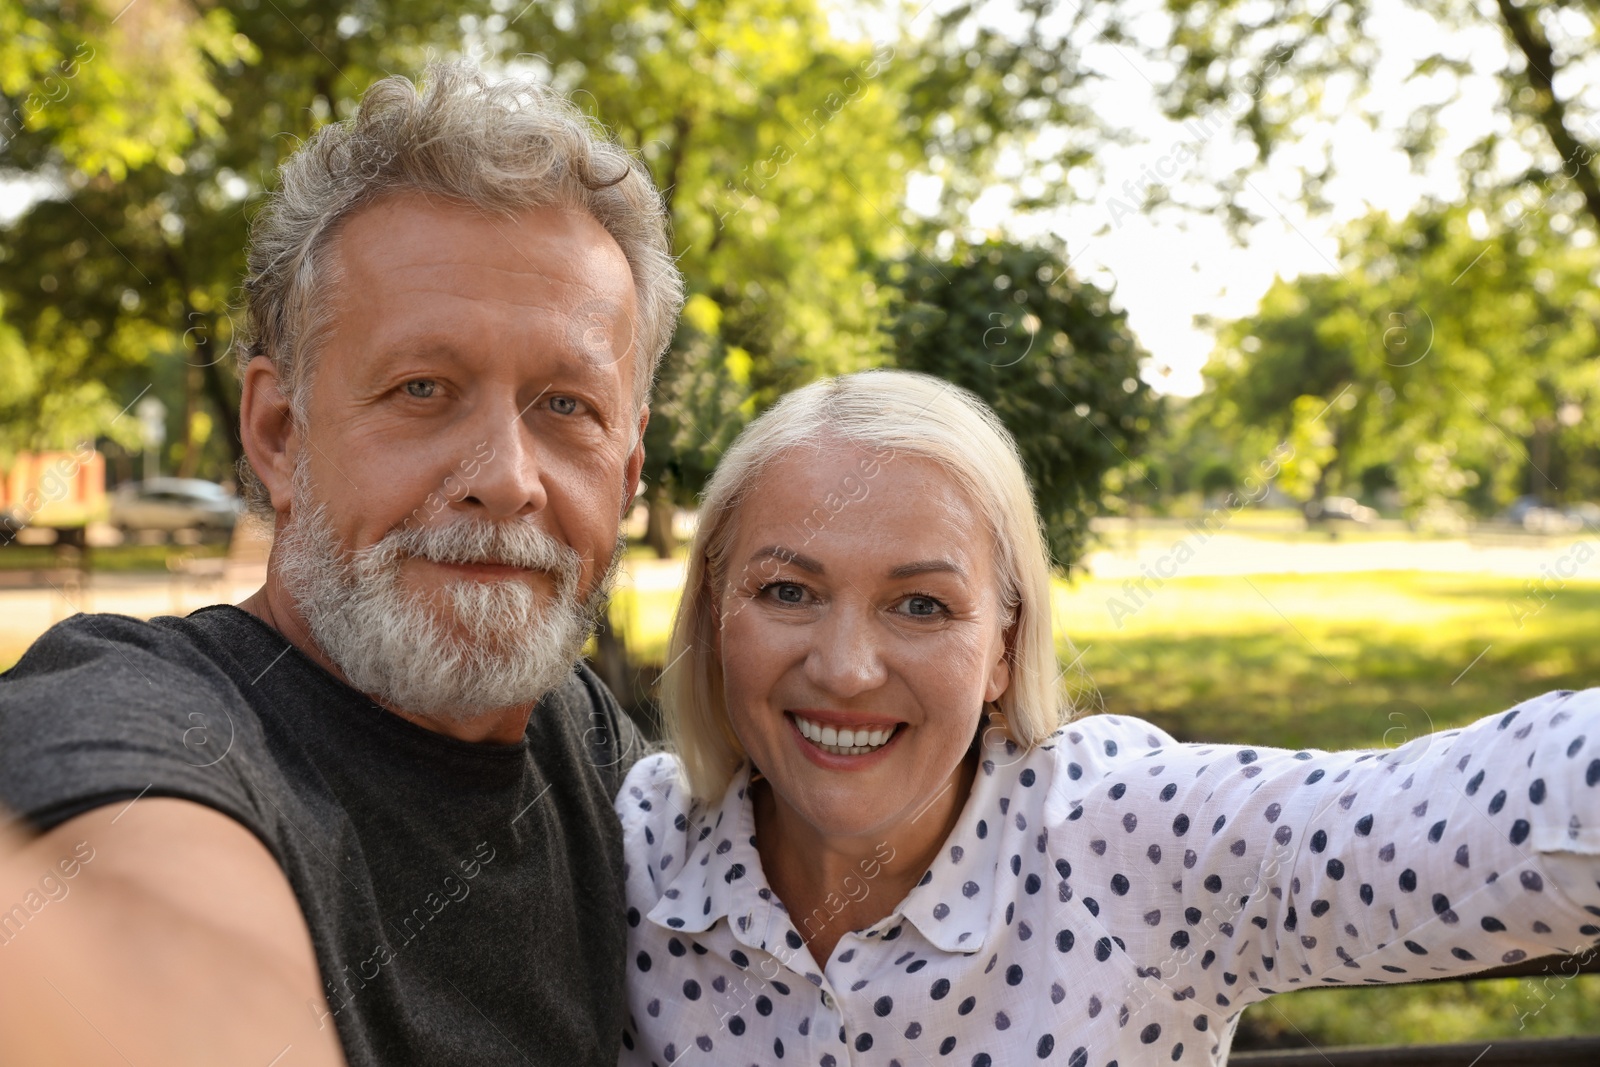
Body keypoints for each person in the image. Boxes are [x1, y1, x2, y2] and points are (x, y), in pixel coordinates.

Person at [616, 369, 1600, 1066]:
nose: (844, 666)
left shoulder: (1123, 833)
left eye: (920, 604)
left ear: (1004, 644)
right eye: (788, 590)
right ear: (713, 609)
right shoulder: (637, 848)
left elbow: (1439, 819)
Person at [0, 62, 681, 1067]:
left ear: (626, 475)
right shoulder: (138, 720)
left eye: (566, 406)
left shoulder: (581, 743)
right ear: (279, 433)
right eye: (422, 387)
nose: (505, 477)